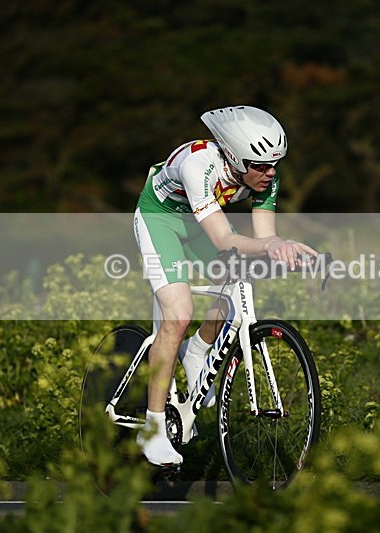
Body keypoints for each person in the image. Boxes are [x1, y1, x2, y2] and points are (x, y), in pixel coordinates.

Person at [132, 105, 317, 467]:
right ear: (233, 157)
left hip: (199, 222)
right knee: (178, 315)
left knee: (237, 276)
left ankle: (197, 350)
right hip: (161, 219)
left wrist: (287, 250)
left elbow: (265, 239)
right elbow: (223, 240)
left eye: (275, 163)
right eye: (260, 166)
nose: (270, 172)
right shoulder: (199, 166)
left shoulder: (265, 174)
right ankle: (151, 428)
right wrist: (270, 246)